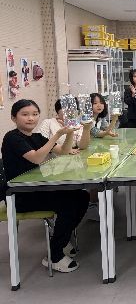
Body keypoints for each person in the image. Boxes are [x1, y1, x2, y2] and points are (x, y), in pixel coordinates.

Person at [1, 99, 90, 273]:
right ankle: (54, 255)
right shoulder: (12, 138)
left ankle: (60, 241)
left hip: (37, 188)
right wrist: (57, 135)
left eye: (35, 114)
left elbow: (63, 151)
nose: (31, 118)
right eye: (25, 114)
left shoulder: (36, 137)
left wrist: (69, 133)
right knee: (69, 203)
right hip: (19, 195)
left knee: (82, 195)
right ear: (13, 118)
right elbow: (36, 158)